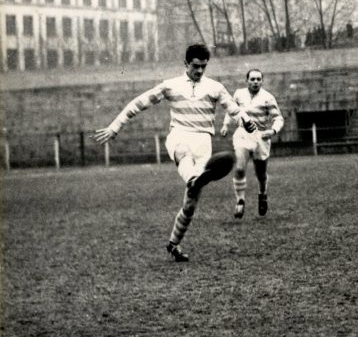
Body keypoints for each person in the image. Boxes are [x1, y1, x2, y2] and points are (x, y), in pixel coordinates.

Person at [94, 43, 257, 262]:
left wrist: (246, 121)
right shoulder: (171, 86)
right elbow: (139, 103)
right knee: (182, 153)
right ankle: (193, 178)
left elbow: (234, 109)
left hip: (203, 142)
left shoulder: (214, 87)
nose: (199, 71)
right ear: (186, 63)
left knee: (190, 204)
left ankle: (174, 244)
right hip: (179, 134)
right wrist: (115, 126)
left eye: (204, 67)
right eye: (196, 66)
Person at [220, 69, 284, 219]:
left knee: (260, 173)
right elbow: (231, 111)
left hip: (261, 135)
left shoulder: (268, 98)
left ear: (262, 81)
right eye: (252, 79)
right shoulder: (239, 94)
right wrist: (225, 125)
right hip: (243, 133)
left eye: (258, 79)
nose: (255, 82)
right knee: (240, 168)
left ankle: (262, 194)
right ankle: (240, 201)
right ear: (247, 80)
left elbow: (278, 118)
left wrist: (273, 131)